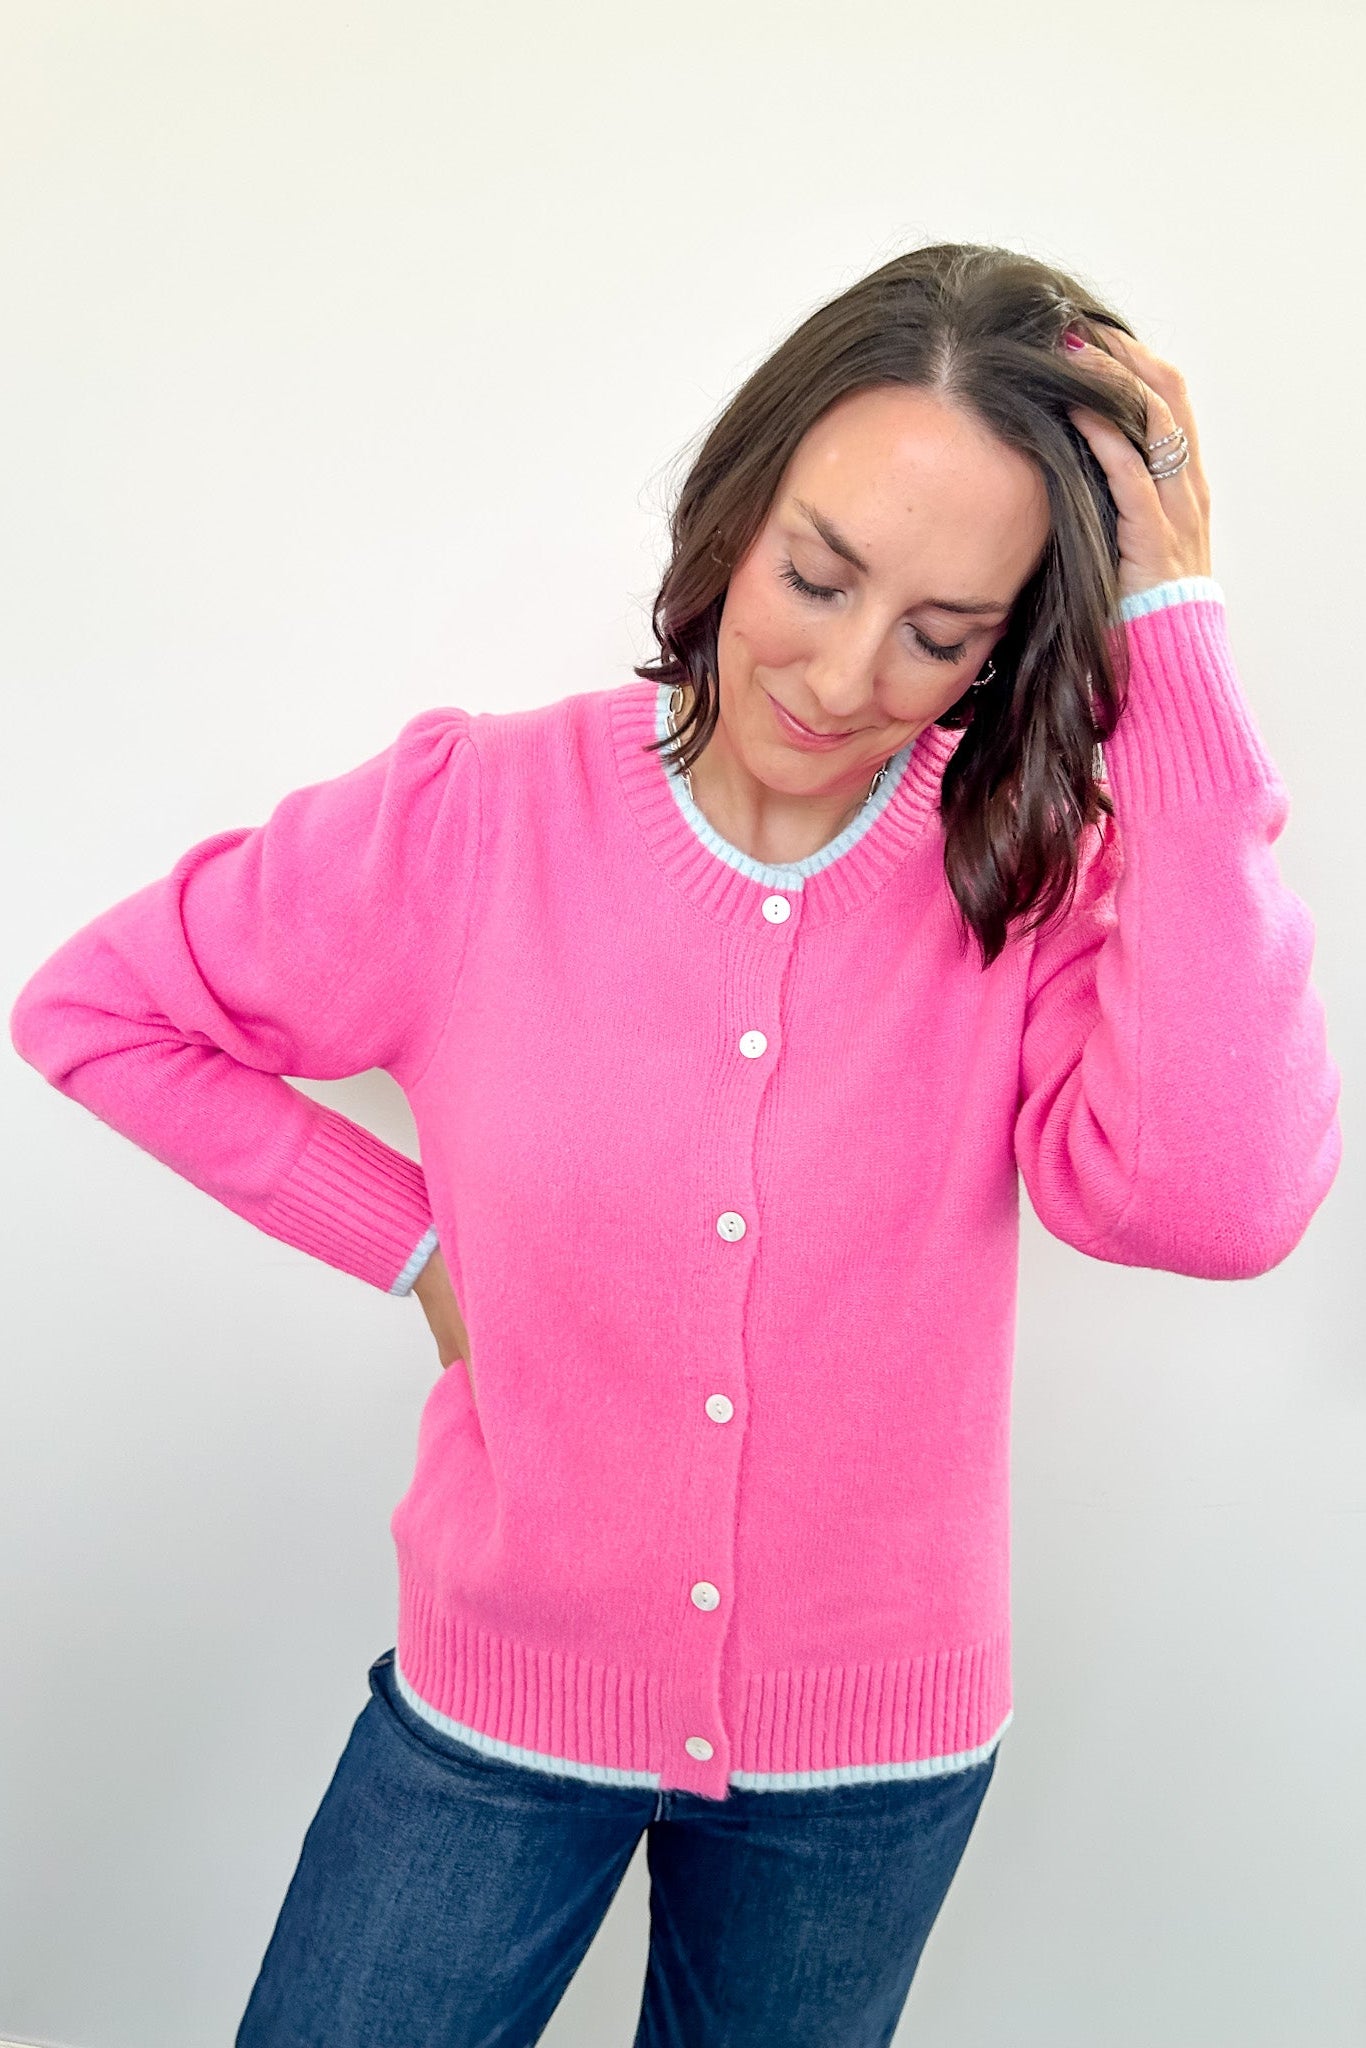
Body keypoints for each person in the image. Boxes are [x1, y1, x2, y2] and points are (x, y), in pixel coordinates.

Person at [9, 242, 1342, 2047]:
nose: (849, 673)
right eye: (817, 572)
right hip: (497, 1709)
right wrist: (413, 1242)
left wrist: (1171, 630)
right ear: (736, 508)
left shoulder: (1025, 876)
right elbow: (96, 1011)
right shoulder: (472, 817)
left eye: (943, 636)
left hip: (872, 1758)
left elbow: (1216, 1200)